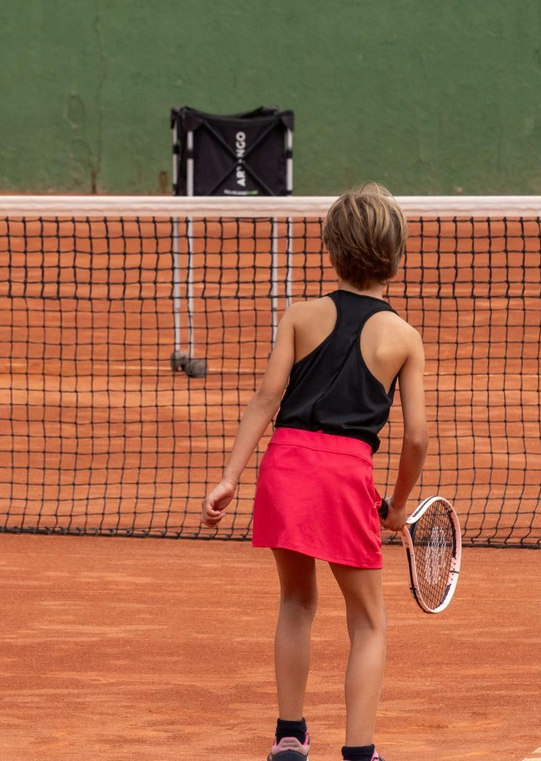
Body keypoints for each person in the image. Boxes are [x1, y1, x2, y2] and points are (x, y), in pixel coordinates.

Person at [201, 184, 428, 761]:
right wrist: (397, 505)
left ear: (331, 251)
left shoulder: (299, 316)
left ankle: (289, 736)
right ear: (396, 255)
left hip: (284, 467)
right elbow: (418, 438)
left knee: (296, 602)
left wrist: (230, 476)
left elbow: (264, 399)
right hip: (346, 474)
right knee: (369, 621)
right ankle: (359, 752)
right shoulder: (403, 338)